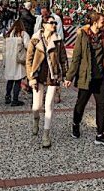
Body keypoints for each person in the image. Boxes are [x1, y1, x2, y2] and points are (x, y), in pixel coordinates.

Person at [64, 11, 104, 148]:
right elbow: (76, 57)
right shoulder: (83, 35)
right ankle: (76, 123)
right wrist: (69, 77)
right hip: (86, 77)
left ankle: (100, 134)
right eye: (102, 21)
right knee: (81, 104)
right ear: (94, 22)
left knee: (101, 106)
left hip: (100, 77)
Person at [27, 14, 68, 148]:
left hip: (52, 75)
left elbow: (63, 59)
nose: (54, 25)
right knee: (37, 106)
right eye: (51, 23)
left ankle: (46, 134)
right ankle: (36, 120)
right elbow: (29, 60)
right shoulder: (35, 40)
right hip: (38, 75)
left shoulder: (58, 40)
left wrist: (66, 76)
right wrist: (31, 77)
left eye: (55, 23)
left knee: (49, 105)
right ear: (44, 25)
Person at [4, 19, 29, 106]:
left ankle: (7, 97)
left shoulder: (9, 35)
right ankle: (15, 100)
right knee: (17, 80)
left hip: (9, 59)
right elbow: (28, 46)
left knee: (10, 79)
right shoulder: (23, 34)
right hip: (18, 60)